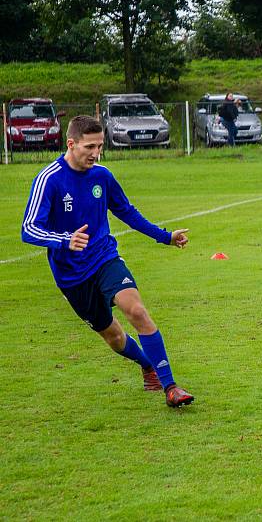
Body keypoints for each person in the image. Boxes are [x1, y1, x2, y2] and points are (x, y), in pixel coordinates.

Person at [21, 115, 195, 408]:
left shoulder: (102, 176)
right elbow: (28, 228)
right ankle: (146, 365)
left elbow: (126, 211)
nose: (95, 153)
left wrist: (165, 237)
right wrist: (64, 240)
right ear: (71, 143)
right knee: (114, 336)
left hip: (104, 258)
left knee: (136, 310)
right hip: (71, 276)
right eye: (89, 147)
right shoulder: (49, 179)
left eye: (100, 146)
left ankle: (171, 387)